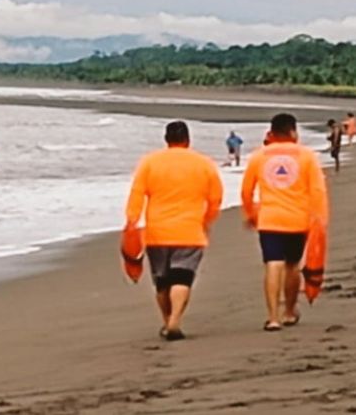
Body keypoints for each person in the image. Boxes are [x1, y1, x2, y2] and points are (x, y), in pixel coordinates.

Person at [125, 121, 223, 341]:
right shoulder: (204, 163)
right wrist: (206, 221)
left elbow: (136, 195)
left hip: (157, 232)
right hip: (190, 230)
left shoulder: (149, 162)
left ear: (166, 139)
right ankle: (175, 321)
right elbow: (215, 198)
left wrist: (131, 223)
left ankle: (167, 321)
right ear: (188, 140)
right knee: (182, 278)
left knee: (162, 281)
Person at [241, 113, 328, 332]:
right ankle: (289, 311)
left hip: (269, 219)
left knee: (273, 263)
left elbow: (246, 191)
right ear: (292, 132)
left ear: (272, 132)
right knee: (292, 266)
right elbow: (318, 191)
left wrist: (251, 213)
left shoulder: (259, 156)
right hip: (297, 221)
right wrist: (319, 219)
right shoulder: (307, 156)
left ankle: (272, 318)